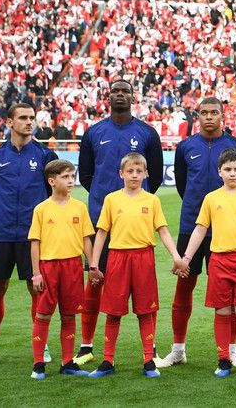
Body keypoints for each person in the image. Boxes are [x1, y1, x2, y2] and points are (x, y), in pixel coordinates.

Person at [159, 97, 236, 368]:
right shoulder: (186, 147)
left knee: (230, 293)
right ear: (197, 115)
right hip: (192, 226)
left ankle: (231, 350)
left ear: (223, 115)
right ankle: (178, 349)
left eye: (214, 112)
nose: (209, 117)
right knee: (184, 286)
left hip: (227, 230)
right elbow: (182, 184)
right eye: (204, 112)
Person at [76, 80, 163, 365]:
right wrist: (108, 201)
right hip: (101, 219)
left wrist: (134, 203)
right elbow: (86, 175)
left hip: (135, 224)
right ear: (109, 96)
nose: (120, 95)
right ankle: (87, 345)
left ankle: (150, 348)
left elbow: (155, 175)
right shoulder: (93, 133)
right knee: (95, 279)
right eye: (116, 91)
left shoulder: (147, 133)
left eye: (125, 91)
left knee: (143, 288)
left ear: (133, 97)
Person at [87, 153, 186, 378]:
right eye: (130, 171)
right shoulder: (112, 199)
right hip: (117, 258)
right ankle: (108, 360)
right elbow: (101, 233)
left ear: (146, 174)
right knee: (113, 312)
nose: (134, 175)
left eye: (138, 171)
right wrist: (93, 264)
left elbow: (162, 231)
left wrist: (176, 256)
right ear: (121, 173)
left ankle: (148, 360)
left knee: (146, 310)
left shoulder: (152, 201)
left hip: (143, 258)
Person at [0, 102, 58, 366]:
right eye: (23, 117)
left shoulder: (46, 155)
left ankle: (41, 345)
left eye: (32, 117)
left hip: (33, 234)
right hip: (0, 230)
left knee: (36, 287)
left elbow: (52, 194)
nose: (29, 122)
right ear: (9, 122)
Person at [177, 148, 236, 378]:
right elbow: (200, 229)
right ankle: (224, 359)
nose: (232, 173)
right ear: (219, 171)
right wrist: (186, 258)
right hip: (219, 261)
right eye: (227, 169)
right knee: (223, 310)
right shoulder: (211, 198)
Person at [27, 159, 94, 380]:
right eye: (65, 177)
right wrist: (36, 273)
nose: (71, 180)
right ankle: (38, 363)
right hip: (48, 267)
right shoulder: (41, 209)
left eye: (72, 176)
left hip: (73, 266)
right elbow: (35, 242)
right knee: (43, 314)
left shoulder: (80, 207)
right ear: (52, 181)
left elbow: (86, 239)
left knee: (69, 314)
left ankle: (67, 363)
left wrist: (92, 265)